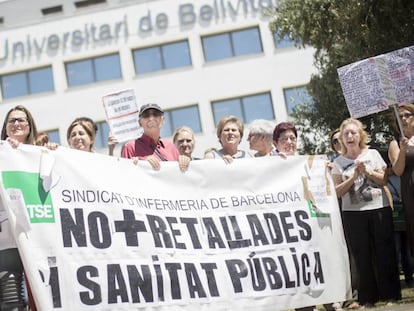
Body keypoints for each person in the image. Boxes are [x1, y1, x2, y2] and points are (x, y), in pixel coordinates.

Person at [332, 118, 401, 308]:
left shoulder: (373, 154)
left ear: (360, 135)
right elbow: (336, 192)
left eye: (353, 133)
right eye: (346, 134)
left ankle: (391, 295)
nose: (349, 136)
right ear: (342, 139)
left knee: (385, 252)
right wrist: (353, 176)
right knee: (361, 254)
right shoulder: (338, 162)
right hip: (353, 213)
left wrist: (368, 171)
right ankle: (368, 298)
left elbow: (384, 180)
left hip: (379, 208)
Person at [388, 103, 414, 286]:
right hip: (410, 190)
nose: (404, 119)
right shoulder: (395, 143)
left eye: (407, 115)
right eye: (400, 116)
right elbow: (397, 170)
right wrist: (403, 151)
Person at [121, 103, 189, 171]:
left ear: (163, 120)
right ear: (139, 123)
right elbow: (125, 175)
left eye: (155, 114)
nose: (151, 118)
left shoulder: (171, 147)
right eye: (146, 115)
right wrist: (142, 163)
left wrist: (185, 161)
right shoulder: (130, 147)